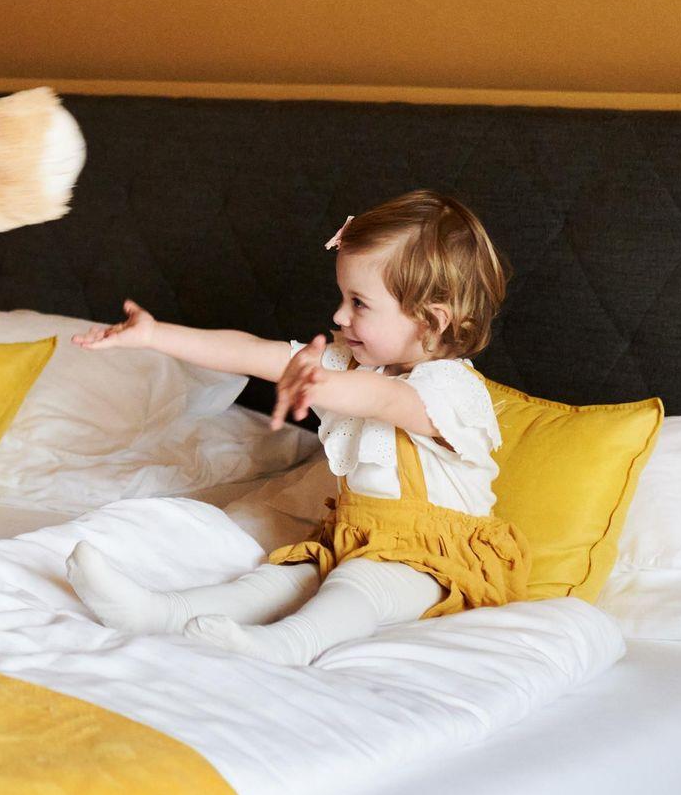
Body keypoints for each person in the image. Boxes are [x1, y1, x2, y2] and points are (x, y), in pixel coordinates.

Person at [67, 190, 524, 664]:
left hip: (438, 564)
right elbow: (250, 351)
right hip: (358, 540)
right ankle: (160, 613)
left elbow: (383, 399)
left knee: (359, 582)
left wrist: (318, 381)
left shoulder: (450, 389)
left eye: (359, 303)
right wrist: (154, 334)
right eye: (343, 298)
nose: (339, 315)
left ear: (430, 321)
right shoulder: (353, 366)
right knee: (280, 578)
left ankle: (288, 645)